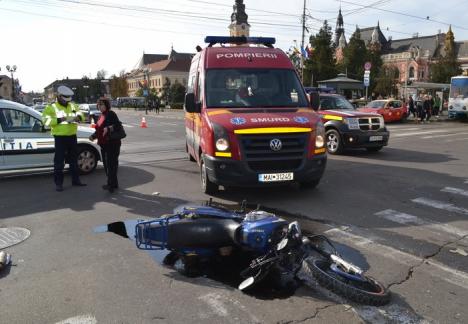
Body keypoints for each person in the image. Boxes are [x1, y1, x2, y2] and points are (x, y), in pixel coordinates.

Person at [42, 86, 86, 192]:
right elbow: (45, 121)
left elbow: (82, 115)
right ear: (59, 96)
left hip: (72, 136)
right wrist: (59, 119)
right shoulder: (51, 107)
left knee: (74, 161)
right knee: (59, 162)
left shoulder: (72, 105)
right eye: (64, 99)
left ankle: (76, 181)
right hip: (60, 138)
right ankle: (59, 184)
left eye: (68, 99)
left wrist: (78, 117)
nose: (66, 101)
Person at [89, 97, 122, 193]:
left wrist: (108, 128)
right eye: (98, 104)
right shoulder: (101, 116)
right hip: (103, 144)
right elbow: (99, 129)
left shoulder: (111, 114)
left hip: (112, 143)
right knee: (108, 164)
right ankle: (114, 183)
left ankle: (110, 184)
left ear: (106, 105)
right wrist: (93, 136)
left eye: (102, 104)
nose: (100, 106)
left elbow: (118, 125)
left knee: (110, 164)